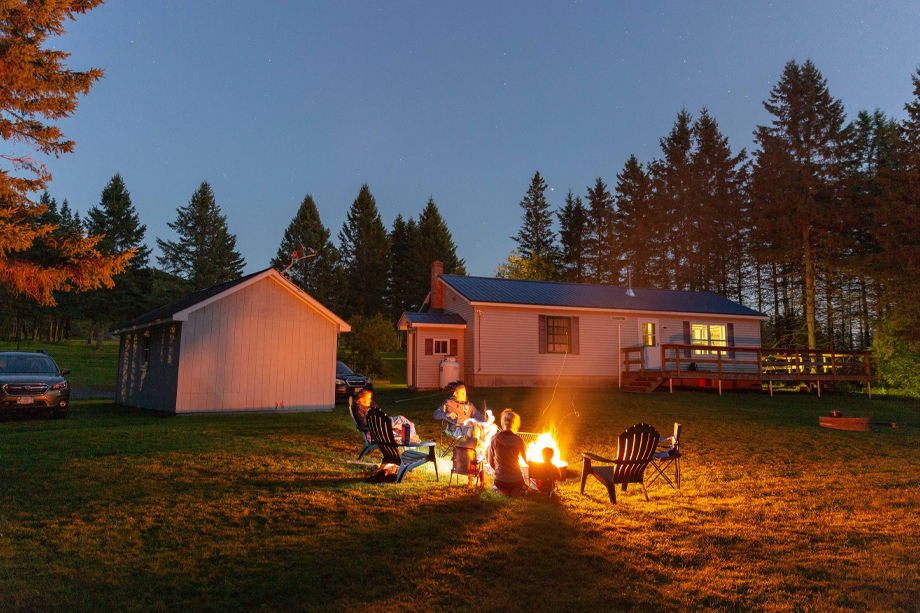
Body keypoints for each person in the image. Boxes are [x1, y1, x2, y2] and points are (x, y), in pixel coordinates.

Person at [434, 383, 497, 451]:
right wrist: (446, 414)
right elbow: (436, 414)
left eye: (465, 393)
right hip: (457, 428)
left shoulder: (469, 405)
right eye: (462, 393)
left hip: (472, 427)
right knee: (475, 429)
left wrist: (488, 419)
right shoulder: (449, 404)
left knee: (493, 427)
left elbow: (478, 416)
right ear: (455, 394)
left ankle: (482, 448)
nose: (464, 395)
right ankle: (476, 451)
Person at [353, 390, 418, 444]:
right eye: (369, 398)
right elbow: (368, 424)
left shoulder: (365, 407)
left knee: (404, 420)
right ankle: (411, 438)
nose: (370, 401)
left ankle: (411, 437)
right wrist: (391, 428)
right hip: (383, 425)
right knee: (405, 422)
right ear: (362, 400)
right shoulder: (360, 411)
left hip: (384, 422)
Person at [487, 409, 528, 495]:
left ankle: (501, 490)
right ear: (514, 424)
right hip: (517, 481)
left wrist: (500, 470)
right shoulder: (518, 440)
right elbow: (525, 461)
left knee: (494, 485)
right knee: (524, 486)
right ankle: (516, 490)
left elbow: (490, 462)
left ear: (502, 422)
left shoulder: (494, 439)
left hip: (500, 480)